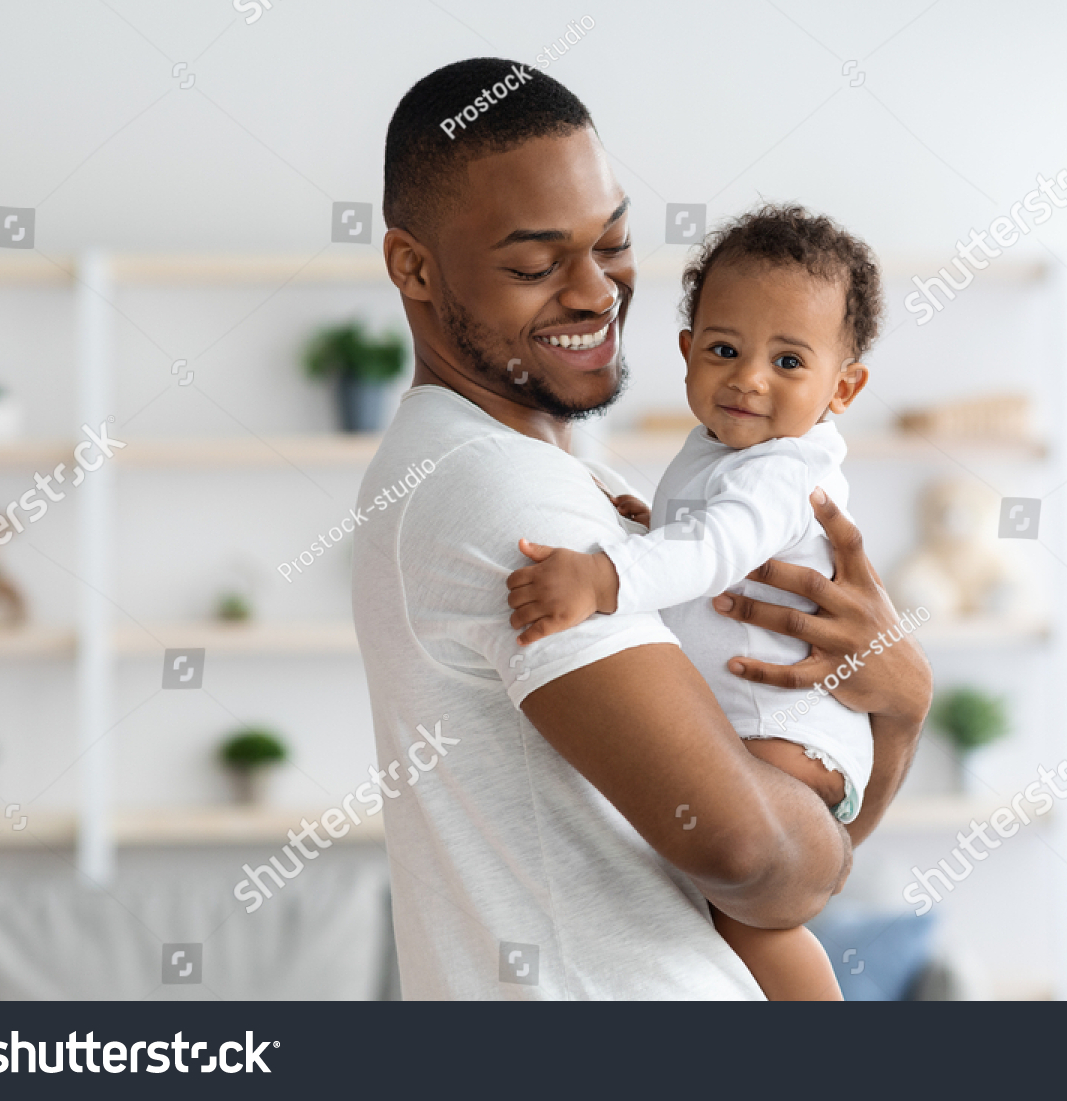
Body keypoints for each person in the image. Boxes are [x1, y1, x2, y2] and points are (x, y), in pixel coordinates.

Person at [351, 57, 931, 999]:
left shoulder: (576, 486)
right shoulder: (507, 499)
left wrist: (892, 715)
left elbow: (772, 872)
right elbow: (754, 859)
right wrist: (898, 720)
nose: (595, 292)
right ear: (413, 267)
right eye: (537, 263)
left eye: (613, 242)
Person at [506, 202, 884, 999]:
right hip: (755, 724)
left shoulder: (785, 469)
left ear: (842, 387)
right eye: (724, 349)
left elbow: (718, 546)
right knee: (715, 914)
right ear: (686, 353)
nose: (748, 378)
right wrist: (659, 527)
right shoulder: (724, 447)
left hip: (783, 731)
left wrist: (607, 576)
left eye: (789, 362)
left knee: (750, 915)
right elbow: (707, 534)